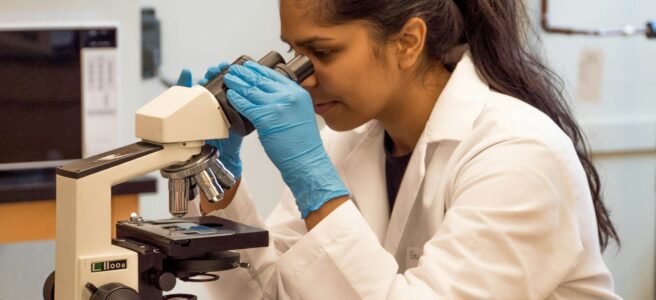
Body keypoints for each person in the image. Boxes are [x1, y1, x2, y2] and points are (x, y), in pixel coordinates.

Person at [176, 0, 621, 298]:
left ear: (408, 42)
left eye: (322, 52)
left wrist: (316, 186)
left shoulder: (518, 153)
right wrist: (221, 182)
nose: (301, 77)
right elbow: (274, 291)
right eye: (293, 51)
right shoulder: (342, 143)